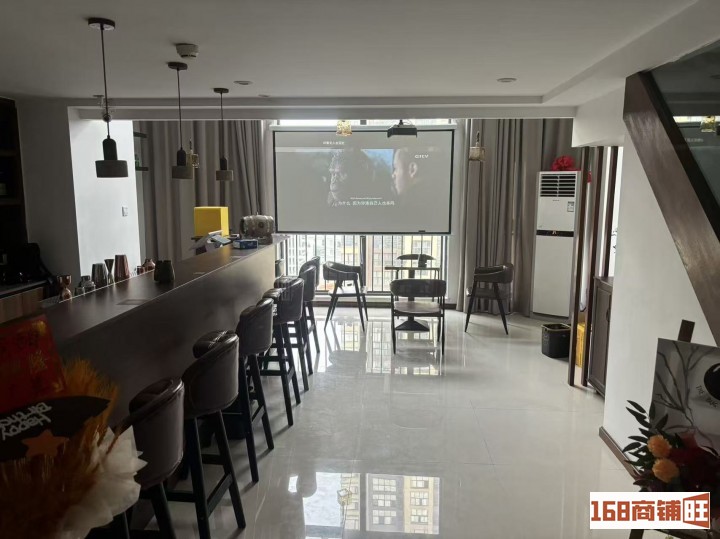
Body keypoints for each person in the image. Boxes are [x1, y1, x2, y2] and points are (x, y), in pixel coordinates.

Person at [391, 148, 437, 213]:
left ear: (412, 170)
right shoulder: (436, 197)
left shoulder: (409, 209)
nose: (393, 175)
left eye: (396, 168)